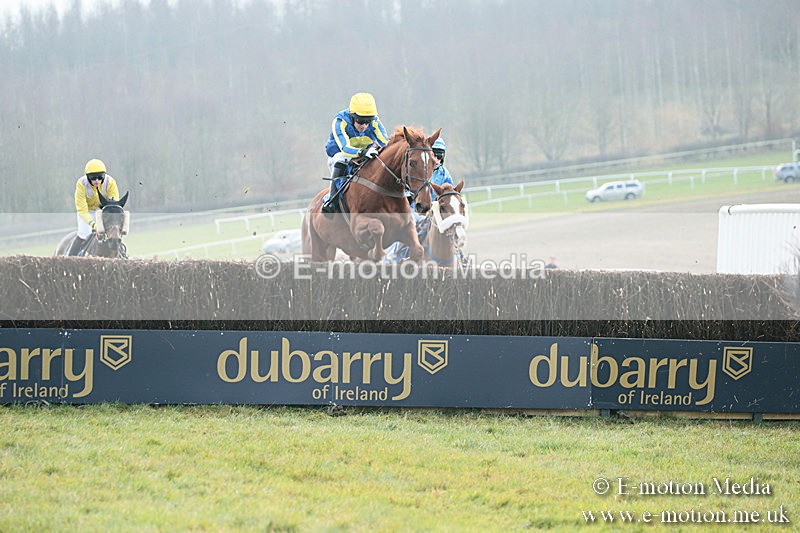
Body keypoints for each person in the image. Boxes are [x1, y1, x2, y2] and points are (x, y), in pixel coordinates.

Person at [321, 92, 390, 215]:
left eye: (367, 121)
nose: (364, 126)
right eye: (360, 121)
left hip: (366, 152)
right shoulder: (339, 121)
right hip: (340, 154)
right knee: (340, 159)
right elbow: (345, 148)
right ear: (352, 116)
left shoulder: (375, 121)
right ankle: (332, 200)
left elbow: (385, 141)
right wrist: (363, 152)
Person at [66, 158, 121, 256]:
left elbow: (114, 206)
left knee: (114, 232)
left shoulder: (110, 182)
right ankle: (67, 259)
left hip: (103, 211)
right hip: (86, 212)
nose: (97, 180)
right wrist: (94, 224)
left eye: (100, 177)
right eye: (93, 177)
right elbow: (82, 210)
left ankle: (122, 255)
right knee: (84, 233)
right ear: (87, 177)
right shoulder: (81, 184)